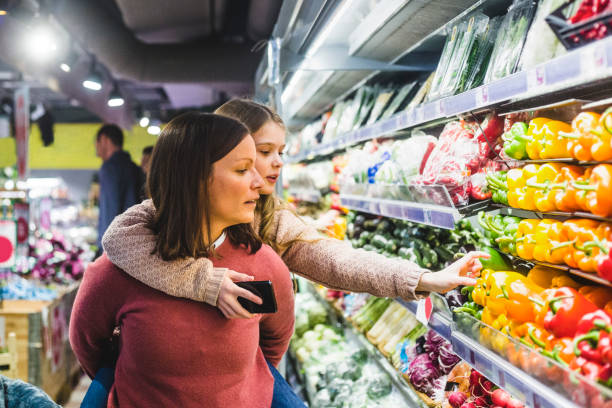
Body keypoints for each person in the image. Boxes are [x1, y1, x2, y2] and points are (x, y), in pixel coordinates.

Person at [102, 99, 487, 319]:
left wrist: (422, 278)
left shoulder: (268, 216)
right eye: (262, 152)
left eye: (278, 153)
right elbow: (119, 240)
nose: (275, 164)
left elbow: (334, 259)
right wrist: (203, 281)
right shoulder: (164, 214)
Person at [71, 112, 298, 407]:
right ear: (195, 179)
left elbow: (272, 344)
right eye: (243, 170)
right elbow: (87, 343)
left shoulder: (263, 263)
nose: (258, 181)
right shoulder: (118, 270)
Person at [94, 124, 144, 252]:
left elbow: (109, 210)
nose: (96, 147)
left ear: (105, 139)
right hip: (134, 243)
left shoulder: (109, 168)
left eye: (97, 142)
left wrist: (103, 249)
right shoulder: (134, 168)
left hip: (115, 248)